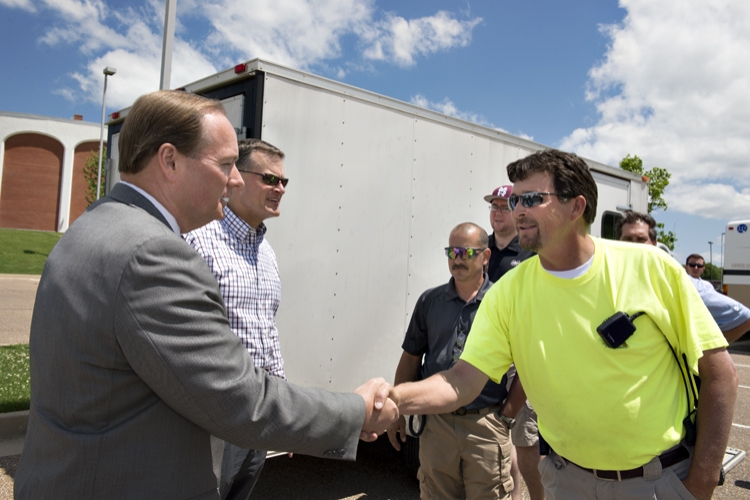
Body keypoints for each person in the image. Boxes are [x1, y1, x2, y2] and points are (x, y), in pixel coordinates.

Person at [15, 90, 397, 499]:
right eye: (227, 165)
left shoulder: (93, 225)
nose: (234, 180)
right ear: (170, 160)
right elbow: (238, 399)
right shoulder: (153, 253)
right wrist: (356, 411)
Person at [390, 149, 738, 500]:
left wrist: (702, 482)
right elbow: (462, 380)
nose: (518, 210)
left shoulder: (651, 268)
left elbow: (720, 374)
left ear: (576, 207)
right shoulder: (508, 292)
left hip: (656, 481)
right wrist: (393, 399)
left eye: (531, 198)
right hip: (565, 481)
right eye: (514, 201)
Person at [184, 138, 289, 499]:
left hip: (258, 414)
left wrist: (282, 406)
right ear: (235, 178)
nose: (279, 189)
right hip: (215, 415)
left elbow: (267, 334)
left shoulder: (267, 253)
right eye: (270, 179)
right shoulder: (198, 240)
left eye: (283, 182)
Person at [387, 222, 513, 499]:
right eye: (452, 252)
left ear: (486, 256)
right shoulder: (430, 301)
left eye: (466, 252)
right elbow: (410, 357)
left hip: (485, 423)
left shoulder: (503, 302)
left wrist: (508, 415)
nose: (457, 259)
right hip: (437, 426)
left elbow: (526, 366)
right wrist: (396, 410)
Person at [484, 185, 543, 500]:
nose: (497, 212)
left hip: (522, 358)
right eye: (493, 206)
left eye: (504, 206)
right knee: (492, 432)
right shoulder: (481, 249)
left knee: (524, 437)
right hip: (487, 355)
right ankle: (511, 495)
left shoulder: (530, 252)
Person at [618, 211, 750, 344]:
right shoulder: (606, 276)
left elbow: (745, 317)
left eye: (641, 239)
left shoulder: (681, 283)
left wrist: (706, 350)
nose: (633, 245)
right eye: (627, 239)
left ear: (654, 244)